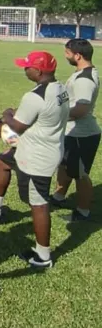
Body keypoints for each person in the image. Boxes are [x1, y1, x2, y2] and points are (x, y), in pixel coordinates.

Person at [0, 51, 69, 269]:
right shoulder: (60, 88)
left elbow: (17, 126)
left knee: (38, 203)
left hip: (37, 157)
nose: (24, 69)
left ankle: (43, 256)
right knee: (3, 161)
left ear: (38, 70)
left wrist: (5, 115)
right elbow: (34, 114)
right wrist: (4, 119)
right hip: (42, 147)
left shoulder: (34, 97)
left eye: (27, 66)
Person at [50, 39, 100, 222]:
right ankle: (58, 197)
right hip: (71, 132)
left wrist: (55, 116)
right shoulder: (81, 73)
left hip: (82, 134)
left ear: (78, 55)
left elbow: (81, 110)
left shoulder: (85, 80)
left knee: (80, 174)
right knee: (64, 165)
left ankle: (83, 211)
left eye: (67, 53)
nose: (65, 56)